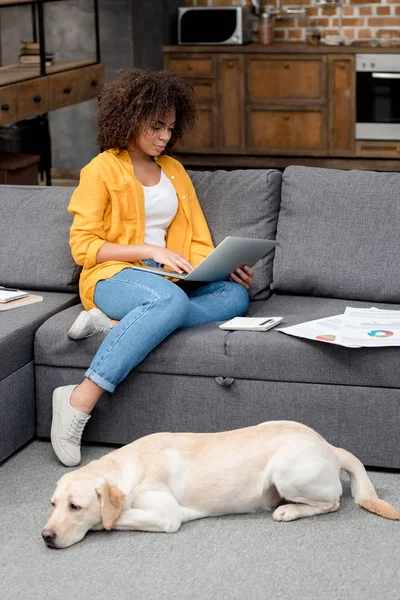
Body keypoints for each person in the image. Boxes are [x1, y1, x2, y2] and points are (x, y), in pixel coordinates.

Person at [51, 68, 253, 467]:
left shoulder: (174, 171)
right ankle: (78, 399)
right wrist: (147, 251)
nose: (164, 136)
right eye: (156, 126)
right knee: (168, 302)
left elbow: (195, 237)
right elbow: (83, 246)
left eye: (170, 128)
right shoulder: (101, 170)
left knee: (235, 295)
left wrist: (219, 267)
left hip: (170, 282)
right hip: (114, 277)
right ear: (129, 118)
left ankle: (117, 325)